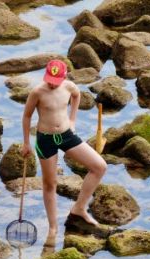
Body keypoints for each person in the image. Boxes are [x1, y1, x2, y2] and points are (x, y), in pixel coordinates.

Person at [21, 59, 107, 245]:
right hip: (46, 140)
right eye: (49, 79)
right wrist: (26, 143)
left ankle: (79, 208)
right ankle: (53, 227)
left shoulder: (69, 86)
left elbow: (77, 96)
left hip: (67, 135)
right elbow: (27, 116)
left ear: (64, 76)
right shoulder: (37, 92)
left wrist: (73, 120)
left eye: (56, 80)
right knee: (50, 183)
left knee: (99, 166)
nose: (52, 83)